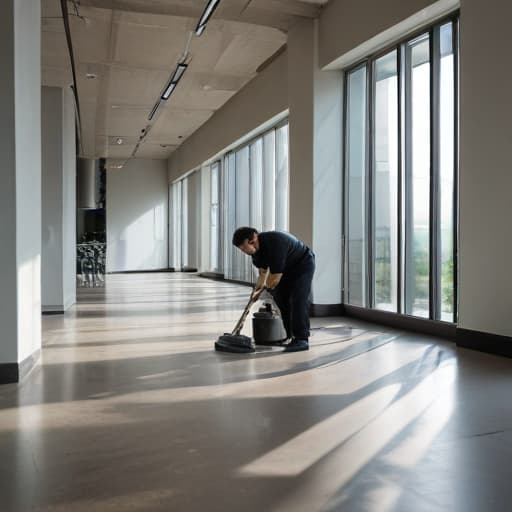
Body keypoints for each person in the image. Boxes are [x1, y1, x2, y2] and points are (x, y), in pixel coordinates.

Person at [232, 227, 315, 352]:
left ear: (253, 240)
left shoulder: (275, 243)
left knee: (298, 299)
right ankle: (289, 335)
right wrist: (255, 293)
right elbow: (263, 274)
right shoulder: (255, 254)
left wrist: (266, 289)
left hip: (303, 264)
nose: (243, 251)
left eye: (243, 247)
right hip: (285, 268)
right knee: (281, 298)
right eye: (241, 249)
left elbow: (275, 277)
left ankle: (301, 339)